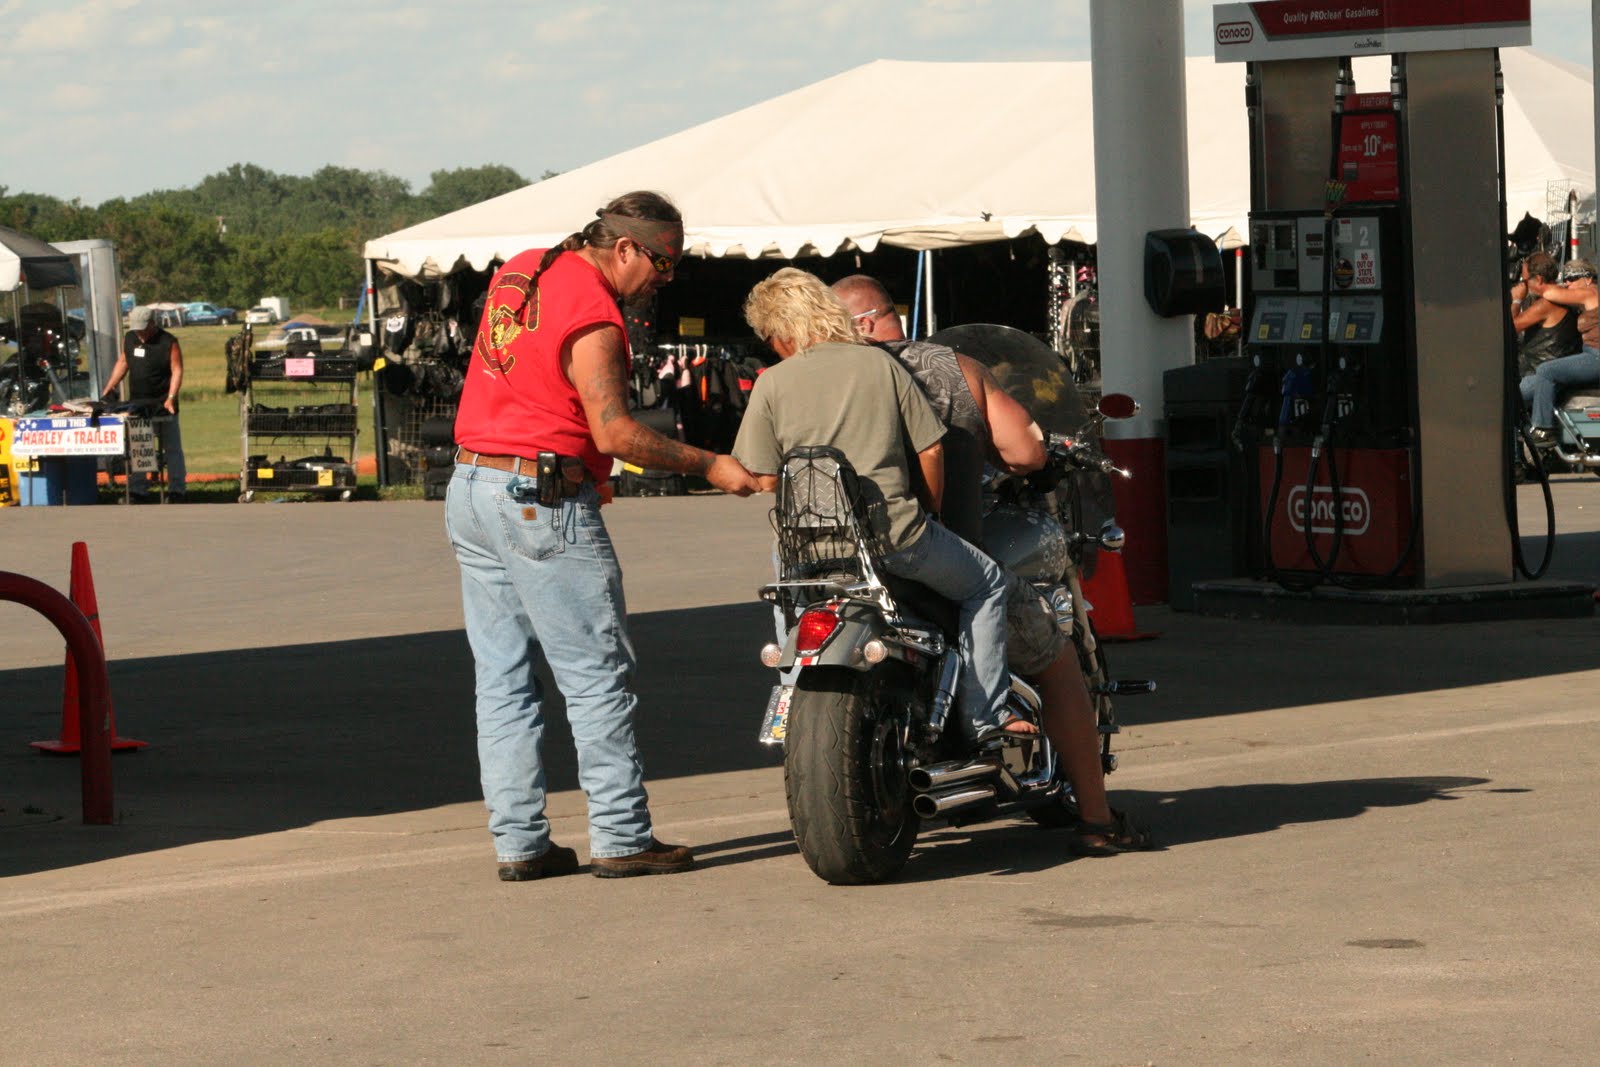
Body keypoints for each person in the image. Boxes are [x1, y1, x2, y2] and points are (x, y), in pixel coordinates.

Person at [447, 190, 758, 882]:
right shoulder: (595, 313)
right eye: (662, 261)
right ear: (623, 248)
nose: (665, 278)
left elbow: (530, 383)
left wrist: (587, 466)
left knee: (502, 678)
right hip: (537, 495)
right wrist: (711, 464)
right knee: (595, 673)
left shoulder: (523, 269)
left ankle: (520, 841)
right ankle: (620, 832)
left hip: (473, 485)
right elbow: (613, 429)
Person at [833, 275, 1151, 853]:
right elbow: (1026, 451)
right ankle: (1099, 821)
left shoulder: (817, 377)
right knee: (1055, 661)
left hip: (842, 563)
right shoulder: (947, 367)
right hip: (932, 547)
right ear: (876, 319)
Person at [734, 267, 1030, 743]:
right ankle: (983, 717)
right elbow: (932, 449)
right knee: (988, 585)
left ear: (785, 329)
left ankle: (790, 697)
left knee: (788, 591)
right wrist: (928, 511)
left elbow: (763, 475)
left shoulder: (772, 382)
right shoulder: (879, 365)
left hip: (810, 549)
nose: (774, 347)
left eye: (771, 336)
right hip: (895, 538)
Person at [102, 305, 186, 502]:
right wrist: (110, 387)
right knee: (140, 448)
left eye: (142, 328)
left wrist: (171, 398)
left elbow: (177, 370)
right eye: (136, 328)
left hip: (163, 403)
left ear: (152, 324)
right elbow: (123, 362)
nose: (139, 332)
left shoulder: (168, 342)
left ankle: (177, 490)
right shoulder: (130, 338)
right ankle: (139, 490)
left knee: (172, 448)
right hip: (138, 403)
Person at [1520, 258, 1600, 447]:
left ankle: (1544, 429)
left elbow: (1549, 291)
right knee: (1520, 393)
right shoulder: (1584, 300)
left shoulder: (1590, 293)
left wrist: (1520, 293)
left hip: (1596, 356)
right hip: (1590, 354)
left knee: (1546, 370)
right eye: (1565, 278)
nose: (1567, 283)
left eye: (1572, 278)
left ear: (1588, 278)